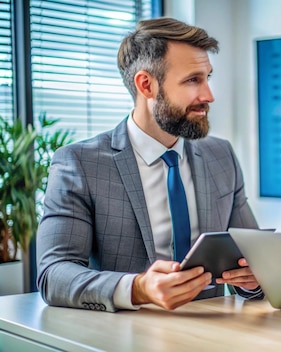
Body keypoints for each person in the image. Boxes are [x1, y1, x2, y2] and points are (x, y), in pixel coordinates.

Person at [37, 17, 262, 312]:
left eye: (207, 77)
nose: (209, 95)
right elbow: (54, 274)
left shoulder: (221, 156)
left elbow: (255, 258)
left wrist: (255, 280)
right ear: (146, 85)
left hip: (215, 332)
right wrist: (138, 288)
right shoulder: (80, 164)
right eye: (193, 80)